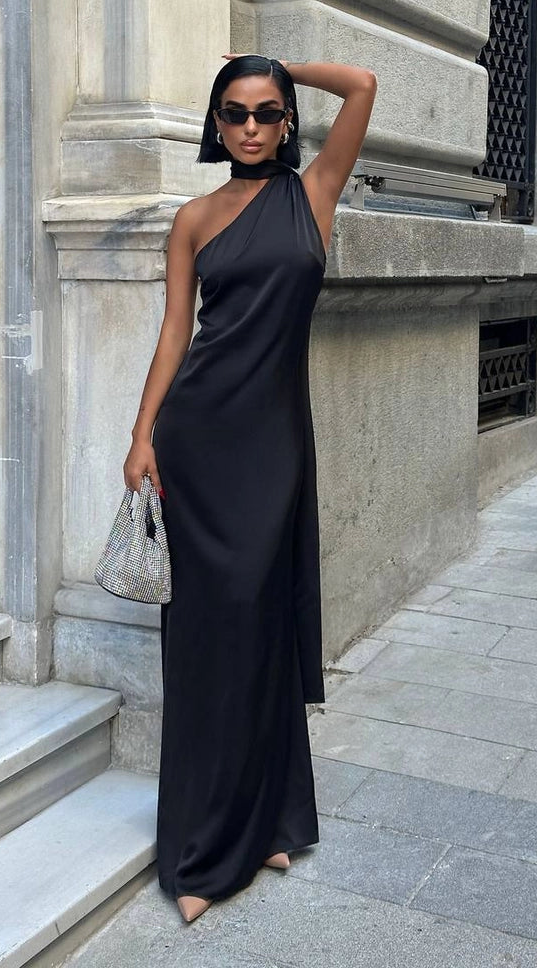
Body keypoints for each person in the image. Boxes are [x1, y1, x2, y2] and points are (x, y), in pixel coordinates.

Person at [123, 54, 377, 923]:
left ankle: (273, 818)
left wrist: (277, 55)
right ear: (215, 122)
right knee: (206, 640)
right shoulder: (192, 218)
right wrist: (140, 434)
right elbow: (172, 337)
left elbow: (364, 87)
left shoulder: (313, 195)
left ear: (287, 121)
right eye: (235, 113)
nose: (253, 128)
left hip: (274, 451)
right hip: (198, 442)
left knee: (262, 626)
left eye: (269, 112)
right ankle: (201, 855)